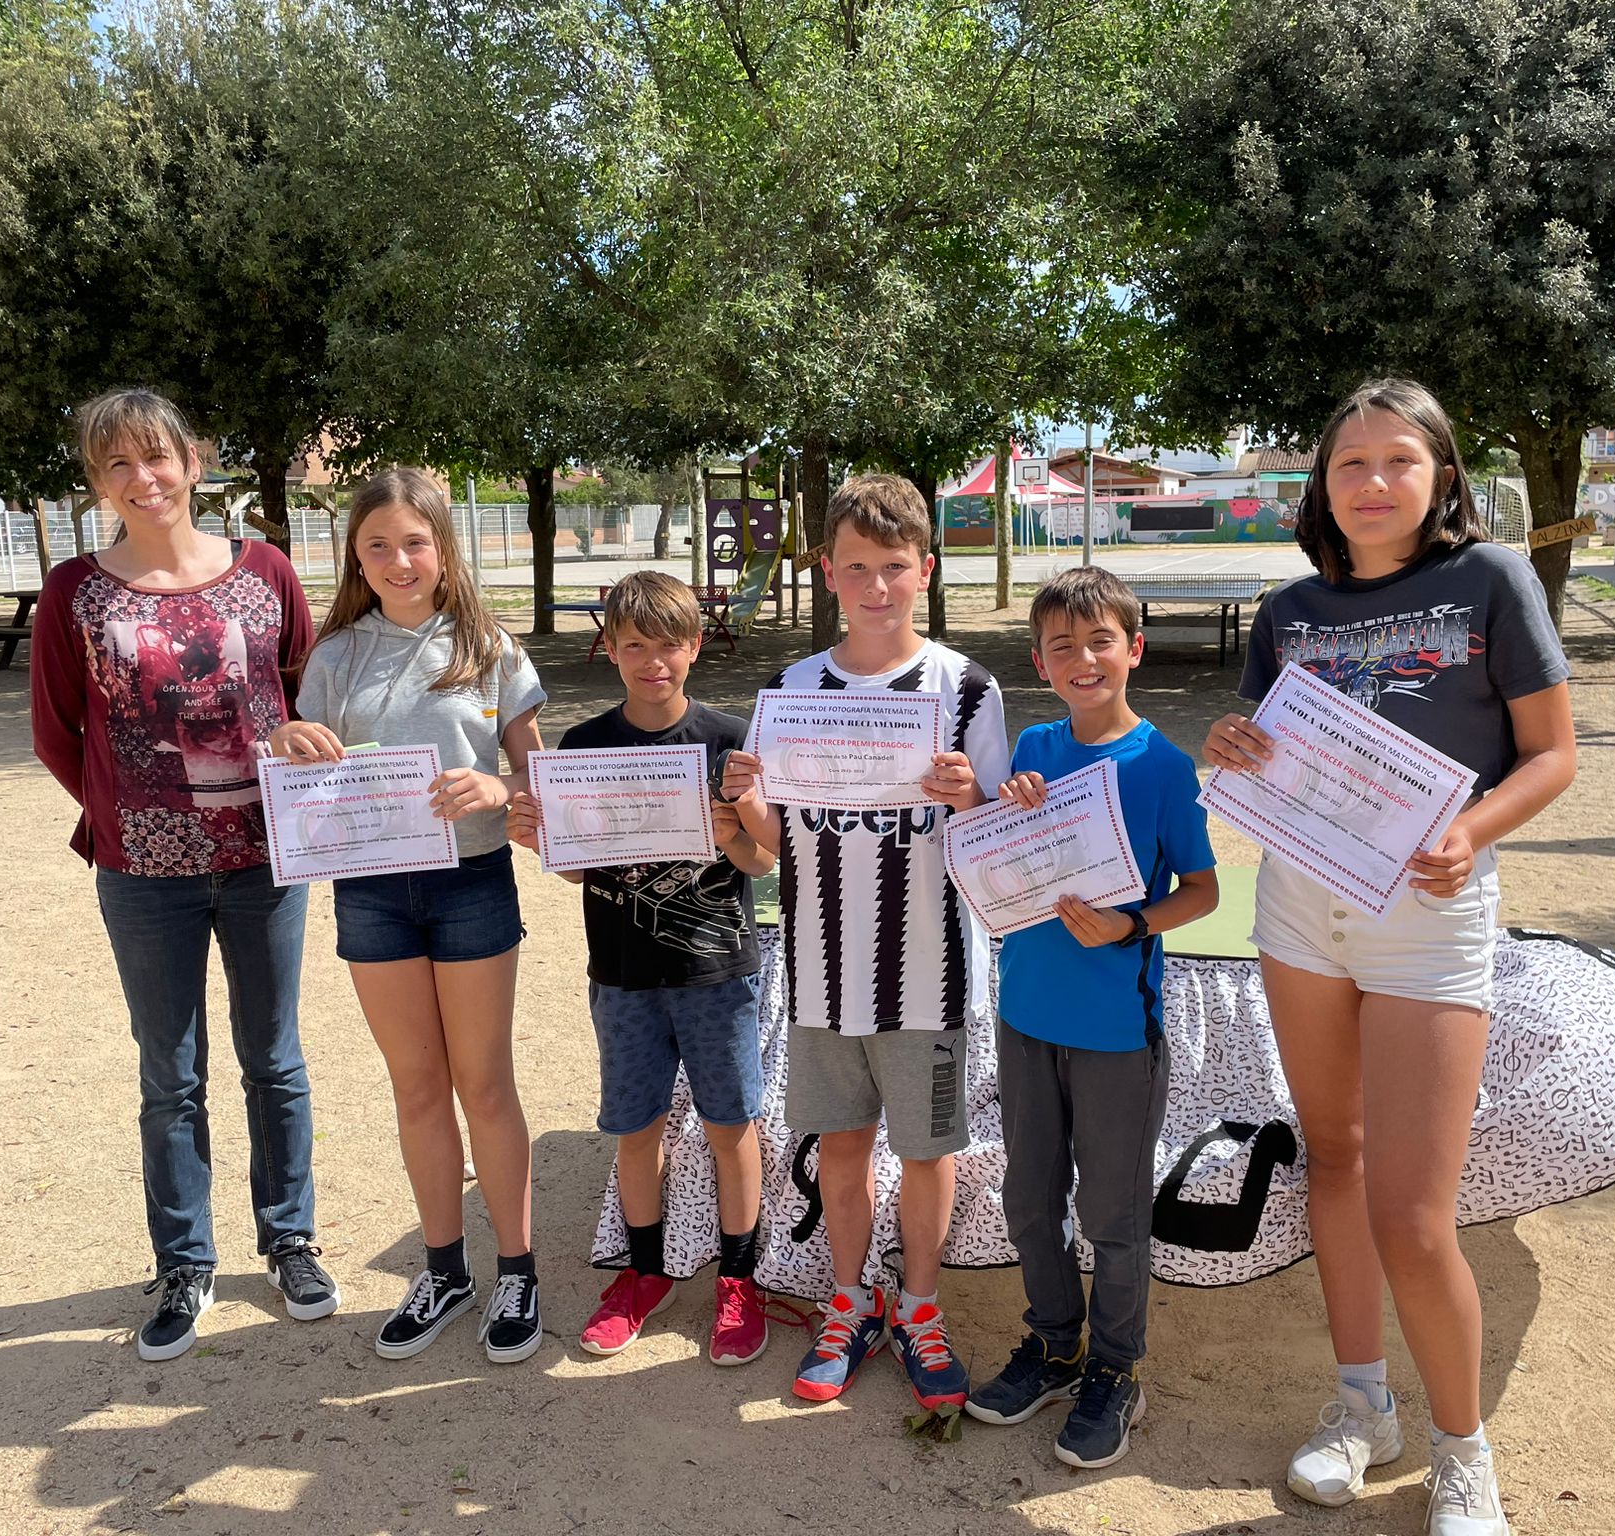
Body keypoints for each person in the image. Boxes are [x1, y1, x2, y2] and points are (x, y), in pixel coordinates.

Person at [1204, 378, 1576, 1535]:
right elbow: (1274, 754)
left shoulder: (1491, 579)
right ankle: (1360, 1407)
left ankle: (1462, 1455)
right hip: (1298, 911)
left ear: (1441, 475)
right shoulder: (1287, 609)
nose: (1371, 482)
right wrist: (1233, 745)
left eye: (1397, 460)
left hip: (1428, 914)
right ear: (1320, 484)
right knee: (1334, 1159)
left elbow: (1551, 755)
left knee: (1414, 1215)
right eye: (1348, 463)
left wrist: (1470, 830)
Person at [30, 387, 336, 1362]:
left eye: (156, 456)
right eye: (117, 463)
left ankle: (289, 1241)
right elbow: (56, 730)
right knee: (170, 1074)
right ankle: (184, 1262)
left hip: (265, 858)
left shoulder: (265, 570)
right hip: (143, 872)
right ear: (97, 481)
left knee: (274, 1060)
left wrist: (294, 753)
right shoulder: (75, 591)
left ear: (193, 462)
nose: (143, 478)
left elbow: (306, 691)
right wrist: (127, 809)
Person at [722, 472, 1008, 1412]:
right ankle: (850, 1303)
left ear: (925, 569)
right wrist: (745, 800)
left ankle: (919, 1307)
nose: (876, 586)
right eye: (857, 568)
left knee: (926, 1151)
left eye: (894, 566)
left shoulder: (969, 687)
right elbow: (778, 843)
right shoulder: (789, 689)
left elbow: (998, 843)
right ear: (826, 571)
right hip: (821, 973)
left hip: (931, 975)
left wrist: (972, 798)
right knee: (841, 1148)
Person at [268, 467, 547, 1365]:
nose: (399, 560)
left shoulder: (488, 647)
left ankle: (517, 1271)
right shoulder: (335, 656)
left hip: (472, 885)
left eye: (415, 542)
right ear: (356, 554)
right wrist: (286, 741)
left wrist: (499, 788)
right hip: (373, 892)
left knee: (485, 1085)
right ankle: (444, 1271)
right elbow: (302, 772)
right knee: (418, 1087)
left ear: (443, 547)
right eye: (378, 544)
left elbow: (536, 778)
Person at [965, 566, 1218, 1468]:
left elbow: (1203, 890)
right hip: (1026, 1015)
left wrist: (1131, 924)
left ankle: (1116, 1368)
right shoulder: (1032, 746)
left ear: (1134, 649)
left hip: (1116, 1032)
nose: (1083, 659)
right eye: (1062, 645)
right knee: (1030, 1200)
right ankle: (1053, 1346)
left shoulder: (1165, 766)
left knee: (1111, 1213)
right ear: (1040, 662)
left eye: (1101, 641)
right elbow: (992, 850)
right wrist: (997, 803)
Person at [505, 572, 781, 1365]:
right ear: (612, 651)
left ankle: (739, 1280)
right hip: (623, 971)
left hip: (717, 971)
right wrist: (539, 840)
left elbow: (763, 861)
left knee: (731, 1128)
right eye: (634, 646)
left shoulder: (730, 740)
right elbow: (577, 868)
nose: (652, 662)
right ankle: (646, 1272)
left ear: (694, 647)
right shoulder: (584, 746)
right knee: (635, 1129)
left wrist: (732, 831)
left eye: (667, 645)